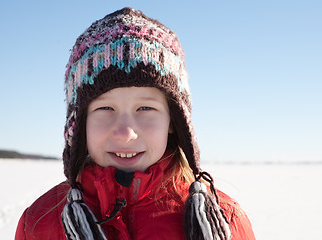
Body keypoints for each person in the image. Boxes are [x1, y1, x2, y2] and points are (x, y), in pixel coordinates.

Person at [15, 7, 255, 240]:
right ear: (79, 124)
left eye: (145, 108)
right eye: (105, 108)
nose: (125, 133)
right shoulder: (39, 223)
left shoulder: (225, 223)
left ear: (174, 120)